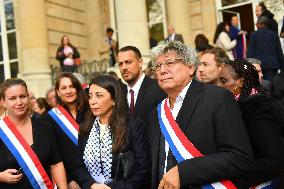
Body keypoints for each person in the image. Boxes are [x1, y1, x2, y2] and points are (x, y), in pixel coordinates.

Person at [148, 41, 253, 189]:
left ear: (191, 68)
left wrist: (184, 172)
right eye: (158, 65)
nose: (162, 70)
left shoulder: (217, 98)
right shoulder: (156, 112)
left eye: (170, 62)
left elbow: (239, 157)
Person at [74, 75, 150, 189]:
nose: (92, 101)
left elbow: (143, 169)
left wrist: (112, 187)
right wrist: (91, 185)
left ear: (114, 99)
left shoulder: (133, 126)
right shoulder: (86, 127)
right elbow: (78, 164)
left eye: (99, 96)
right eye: (90, 96)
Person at [219, 59, 284, 188]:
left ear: (240, 81)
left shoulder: (257, 111)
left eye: (224, 81)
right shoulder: (239, 105)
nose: (220, 86)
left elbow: (274, 160)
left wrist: (233, 179)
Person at [0, 78, 68, 189]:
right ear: (3, 102)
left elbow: (56, 164)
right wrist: (1, 176)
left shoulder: (44, 126)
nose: (19, 102)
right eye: (12, 98)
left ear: (28, 97)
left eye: (22, 96)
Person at [43, 72, 89, 189]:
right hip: (73, 179)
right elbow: (55, 155)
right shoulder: (50, 118)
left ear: (77, 89)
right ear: (58, 92)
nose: (68, 91)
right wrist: (68, 179)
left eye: (71, 86)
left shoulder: (90, 111)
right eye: (63, 88)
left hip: (96, 175)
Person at [117, 46, 166, 126]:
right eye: (120, 64)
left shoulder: (158, 88)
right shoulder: (119, 94)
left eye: (128, 62)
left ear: (140, 62)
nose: (124, 67)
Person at [247, 16, 284, 81]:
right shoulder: (274, 35)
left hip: (259, 66)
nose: (256, 25)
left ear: (261, 24)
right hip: (272, 66)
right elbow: (279, 52)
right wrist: (282, 66)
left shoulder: (254, 35)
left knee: (261, 86)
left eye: (257, 24)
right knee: (272, 86)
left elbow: (250, 53)